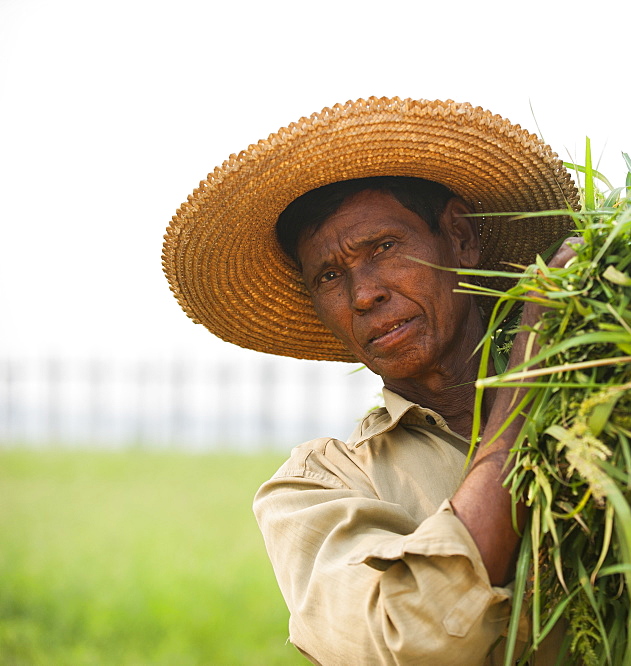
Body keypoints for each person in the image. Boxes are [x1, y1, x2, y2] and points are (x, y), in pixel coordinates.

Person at [161, 97, 579, 664]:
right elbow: (413, 639)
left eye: (382, 247)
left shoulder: (602, 392)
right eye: (330, 275)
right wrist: (530, 377)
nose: (363, 295)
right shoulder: (317, 487)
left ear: (458, 237)